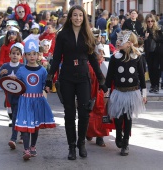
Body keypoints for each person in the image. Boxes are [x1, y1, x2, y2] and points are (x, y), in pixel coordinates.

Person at [48, 5, 106, 160]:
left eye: (80, 15)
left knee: (84, 113)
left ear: (84, 17)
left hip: (83, 77)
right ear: (70, 17)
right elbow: (56, 58)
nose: (78, 18)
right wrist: (49, 77)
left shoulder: (88, 34)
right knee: (69, 114)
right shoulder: (62, 35)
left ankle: (81, 144)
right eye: (75, 15)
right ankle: (71, 146)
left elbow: (93, 58)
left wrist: (101, 79)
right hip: (66, 77)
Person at [12, 39, 56, 160]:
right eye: (29, 54)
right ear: (25, 55)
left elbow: (44, 84)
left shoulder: (42, 70)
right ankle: (26, 150)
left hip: (38, 101)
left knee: (35, 126)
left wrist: (47, 87)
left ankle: (32, 146)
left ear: (38, 55)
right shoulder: (21, 70)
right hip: (25, 101)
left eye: (34, 53)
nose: (32, 56)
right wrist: (12, 79)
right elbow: (17, 84)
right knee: (26, 126)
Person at [105, 30, 147, 156]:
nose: (118, 42)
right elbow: (109, 77)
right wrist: (106, 94)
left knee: (128, 117)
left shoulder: (137, 57)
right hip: (118, 92)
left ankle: (125, 143)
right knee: (118, 117)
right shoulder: (115, 58)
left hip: (132, 92)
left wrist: (143, 93)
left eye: (121, 39)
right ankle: (119, 135)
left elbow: (141, 76)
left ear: (129, 43)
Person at [0, 43, 24, 149]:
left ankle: (13, 138)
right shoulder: (5, 66)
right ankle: (22, 135)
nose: (15, 55)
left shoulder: (22, 67)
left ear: (21, 56)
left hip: (21, 97)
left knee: (16, 117)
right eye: (13, 53)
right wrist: (0, 73)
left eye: (18, 54)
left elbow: (25, 82)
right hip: (10, 96)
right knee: (16, 116)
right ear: (10, 54)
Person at [86, 43, 110, 147]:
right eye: (99, 52)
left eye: (102, 52)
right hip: (91, 93)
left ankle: (100, 137)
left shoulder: (106, 65)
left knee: (103, 115)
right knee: (90, 114)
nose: (101, 54)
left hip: (102, 93)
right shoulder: (89, 66)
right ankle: (89, 132)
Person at [140, 14, 163, 93]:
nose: (150, 23)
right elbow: (140, 41)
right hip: (148, 52)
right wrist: (145, 37)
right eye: (148, 21)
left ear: (154, 21)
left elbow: (160, 40)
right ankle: (152, 85)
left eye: (152, 21)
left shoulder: (158, 30)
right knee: (150, 69)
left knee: (156, 68)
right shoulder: (143, 30)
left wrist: (153, 35)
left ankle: (156, 85)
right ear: (146, 22)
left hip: (157, 52)